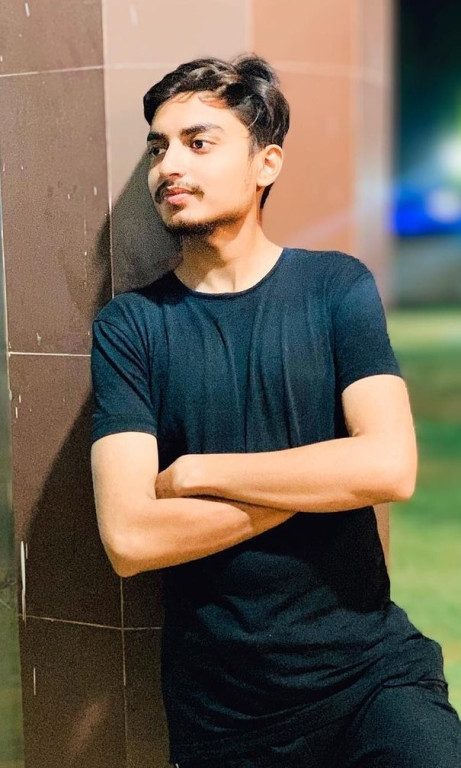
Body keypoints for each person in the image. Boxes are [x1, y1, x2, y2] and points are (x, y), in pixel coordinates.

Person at [90, 55, 461, 768]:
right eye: (158, 147)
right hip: (225, 713)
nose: (169, 165)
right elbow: (131, 537)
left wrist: (198, 472)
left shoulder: (336, 287)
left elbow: (390, 467)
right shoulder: (130, 327)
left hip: (371, 676)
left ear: (266, 164)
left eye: (198, 142)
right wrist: (327, 480)